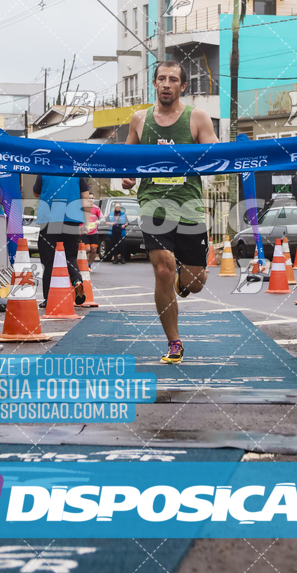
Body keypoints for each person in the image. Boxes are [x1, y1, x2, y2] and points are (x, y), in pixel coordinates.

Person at [122, 60, 217, 364]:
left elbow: (214, 155)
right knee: (163, 267)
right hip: (154, 205)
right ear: (154, 83)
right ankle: (174, 342)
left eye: (173, 80)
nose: (166, 84)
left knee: (195, 282)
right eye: (161, 79)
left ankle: (183, 283)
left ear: (183, 86)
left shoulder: (197, 118)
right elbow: (127, 158)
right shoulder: (139, 119)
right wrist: (127, 174)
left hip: (189, 207)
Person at [33, 173, 90, 307]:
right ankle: (77, 281)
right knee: (70, 256)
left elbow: (36, 193)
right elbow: (86, 197)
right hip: (72, 219)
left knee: (49, 260)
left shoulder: (44, 171)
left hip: (49, 220)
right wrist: (86, 223)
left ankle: (49, 298)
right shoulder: (77, 173)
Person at [81, 192, 103, 265]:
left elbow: (103, 218)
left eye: (92, 198)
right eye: (89, 198)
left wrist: (98, 221)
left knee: (94, 250)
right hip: (84, 232)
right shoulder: (82, 208)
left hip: (93, 232)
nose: (91, 200)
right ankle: (82, 264)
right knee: (87, 249)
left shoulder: (96, 208)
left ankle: (89, 265)